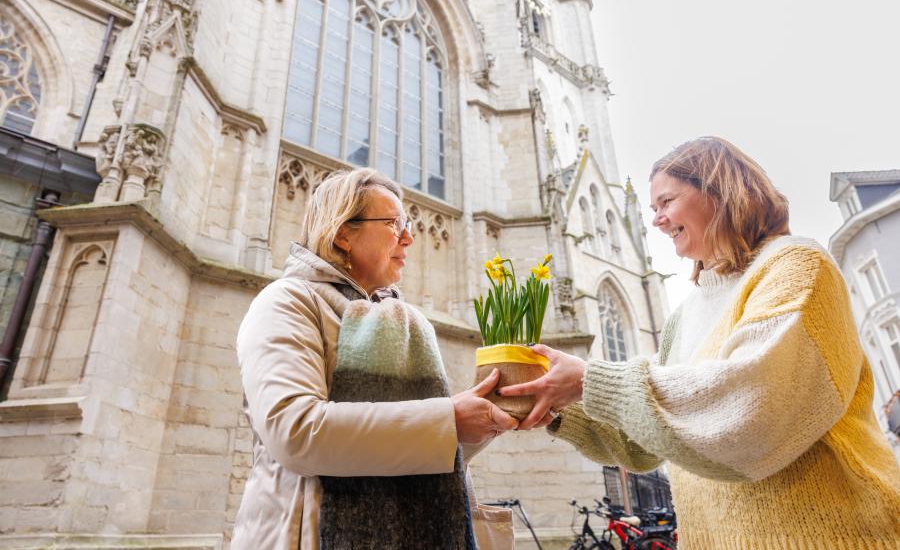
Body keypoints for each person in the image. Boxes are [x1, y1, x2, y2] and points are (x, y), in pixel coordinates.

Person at [499, 137, 900, 548]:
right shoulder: (685, 314)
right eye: (652, 209)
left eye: (666, 202)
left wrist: (589, 381)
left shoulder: (796, 265)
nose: (656, 220)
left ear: (719, 189)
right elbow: (642, 444)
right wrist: (552, 403)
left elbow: (750, 414)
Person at [232, 168, 517, 550]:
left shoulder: (405, 323)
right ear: (343, 233)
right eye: (394, 223)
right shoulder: (287, 301)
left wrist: (488, 421)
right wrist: (448, 419)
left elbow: (418, 453)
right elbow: (295, 432)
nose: (409, 237)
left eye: (409, 223)